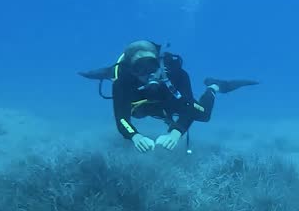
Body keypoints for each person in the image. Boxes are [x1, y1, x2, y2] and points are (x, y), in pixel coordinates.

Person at [79, 40, 257, 153]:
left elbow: (187, 107)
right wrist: (136, 136)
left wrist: (176, 133)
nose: (148, 73)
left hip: (171, 100)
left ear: (159, 62)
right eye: (140, 68)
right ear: (131, 70)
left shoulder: (175, 73)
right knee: (137, 112)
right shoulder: (122, 80)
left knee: (203, 115)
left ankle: (214, 86)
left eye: (151, 65)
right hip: (142, 105)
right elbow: (121, 118)